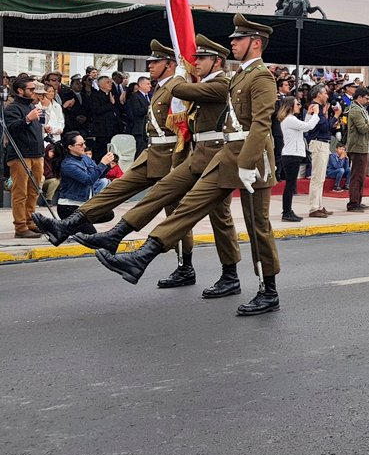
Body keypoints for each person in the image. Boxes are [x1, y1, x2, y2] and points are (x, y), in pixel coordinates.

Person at [91, 16, 281, 316]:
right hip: (227, 153)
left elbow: (261, 124)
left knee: (258, 226)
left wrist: (248, 163)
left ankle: (268, 290)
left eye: (238, 39)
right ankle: (143, 255)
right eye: (232, 39)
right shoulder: (240, 76)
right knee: (189, 205)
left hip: (253, 159)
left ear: (255, 43)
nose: (232, 43)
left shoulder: (262, 77)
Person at [33, 41, 192, 270]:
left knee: (173, 213)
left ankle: (185, 265)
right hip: (153, 153)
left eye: (155, 62)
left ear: (170, 64)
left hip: (172, 156)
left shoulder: (176, 86)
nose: (149, 66)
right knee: (117, 188)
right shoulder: (161, 87)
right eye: (149, 62)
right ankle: (67, 225)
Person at [3, 77, 46, 238]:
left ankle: (30, 221)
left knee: (33, 191)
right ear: (20, 91)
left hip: (36, 154)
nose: (34, 92)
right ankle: (20, 226)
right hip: (20, 155)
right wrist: (28, 119)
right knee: (20, 192)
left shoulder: (32, 107)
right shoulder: (12, 109)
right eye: (31, 89)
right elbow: (11, 128)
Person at [54, 131, 115, 234]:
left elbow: (97, 176)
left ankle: (71, 226)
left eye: (84, 143)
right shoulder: (68, 165)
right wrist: (102, 163)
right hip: (69, 207)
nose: (84, 146)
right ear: (70, 147)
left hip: (84, 206)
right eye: (80, 144)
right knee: (92, 237)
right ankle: (68, 225)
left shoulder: (85, 158)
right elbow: (88, 180)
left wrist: (107, 165)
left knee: (109, 214)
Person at [278, 97, 319, 222]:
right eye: (297, 104)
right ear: (291, 106)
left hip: (292, 154)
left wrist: (310, 114)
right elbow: (308, 127)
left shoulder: (291, 119)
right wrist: (316, 114)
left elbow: (304, 127)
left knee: (291, 185)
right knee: (290, 185)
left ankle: (288, 210)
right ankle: (286, 211)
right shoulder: (290, 119)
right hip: (291, 155)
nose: (299, 106)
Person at [345, 86, 369, 211]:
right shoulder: (356, 110)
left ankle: (357, 200)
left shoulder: (361, 108)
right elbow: (362, 128)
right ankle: (353, 203)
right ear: (359, 97)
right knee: (357, 176)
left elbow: (365, 124)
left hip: (363, 145)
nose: (368, 101)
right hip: (357, 147)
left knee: (361, 176)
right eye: (366, 98)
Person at [305, 84, 338, 219]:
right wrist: (335, 116)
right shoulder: (315, 107)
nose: (327, 96)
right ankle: (314, 207)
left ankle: (319, 205)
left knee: (320, 177)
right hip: (318, 142)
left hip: (322, 142)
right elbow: (324, 127)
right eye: (325, 93)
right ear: (318, 94)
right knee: (317, 177)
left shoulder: (319, 108)